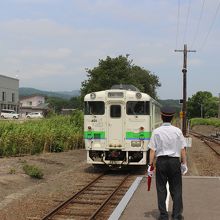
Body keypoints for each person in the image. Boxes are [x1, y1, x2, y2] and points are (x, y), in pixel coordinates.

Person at [147, 106, 187, 220]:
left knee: (161, 189)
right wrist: (184, 164)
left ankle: (163, 215)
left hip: (161, 162)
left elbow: (152, 150)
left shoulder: (156, 131)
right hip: (174, 162)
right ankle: (176, 215)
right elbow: (182, 148)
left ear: (161, 117)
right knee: (176, 189)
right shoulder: (177, 131)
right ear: (172, 118)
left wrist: (150, 165)